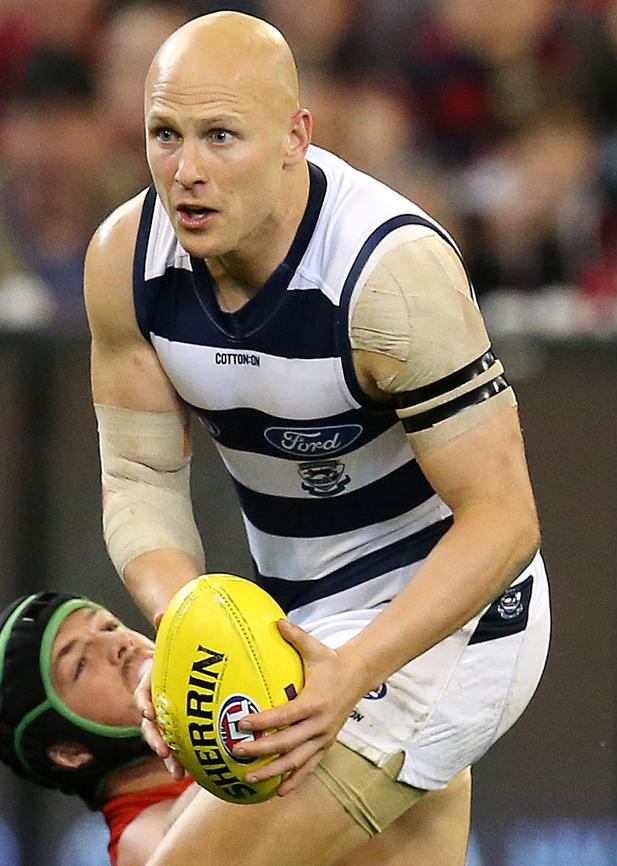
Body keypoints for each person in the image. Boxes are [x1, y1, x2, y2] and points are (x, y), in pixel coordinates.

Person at [84, 10, 551, 865]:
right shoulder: (125, 258)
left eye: (222, 136)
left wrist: (357, 667)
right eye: (165, 134)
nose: (186, 172)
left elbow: (505, 519)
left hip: (454, 623)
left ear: (297, 135)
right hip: (304, 628)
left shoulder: (387, 273)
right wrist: (186, 623)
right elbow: (141, 477)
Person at [0, 591, 197, 866]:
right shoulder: (142, 842)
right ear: (70, 752)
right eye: (80, 664)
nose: (119, 643)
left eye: (109, 626)